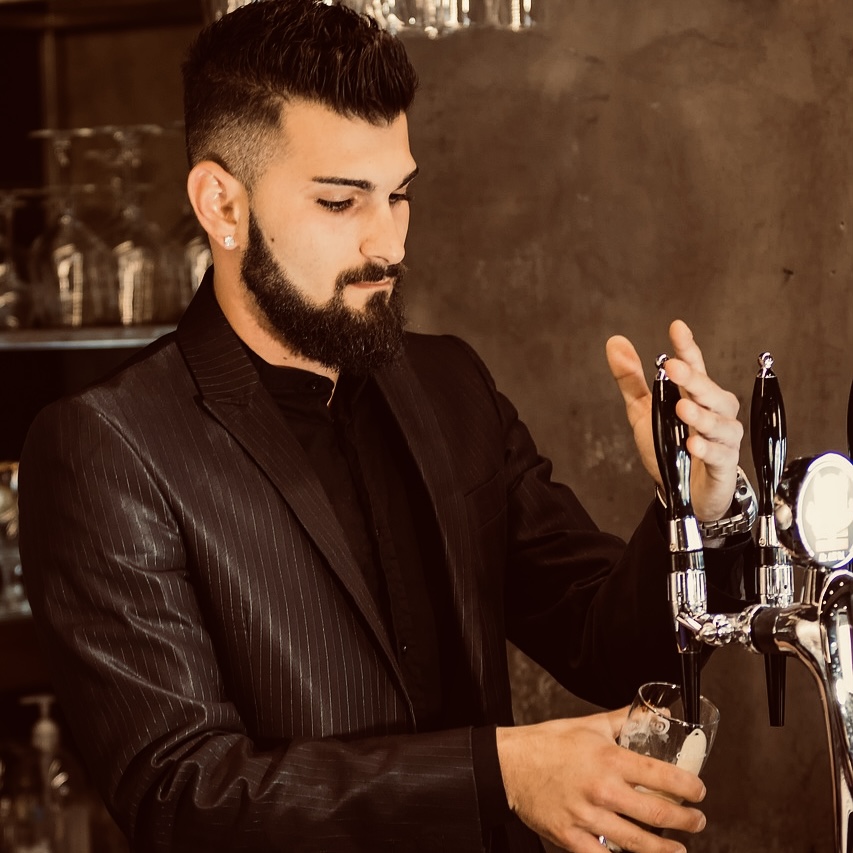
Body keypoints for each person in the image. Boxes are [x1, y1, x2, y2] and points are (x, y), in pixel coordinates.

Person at [18, 2, 750, 852]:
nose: (389, 242)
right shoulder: (107, 445)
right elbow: (184, 794)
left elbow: (604, 647)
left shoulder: (450, 384)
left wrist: (688, 507)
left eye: (398, 196)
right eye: (340, 201)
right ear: (221, 202)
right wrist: (498, 773)